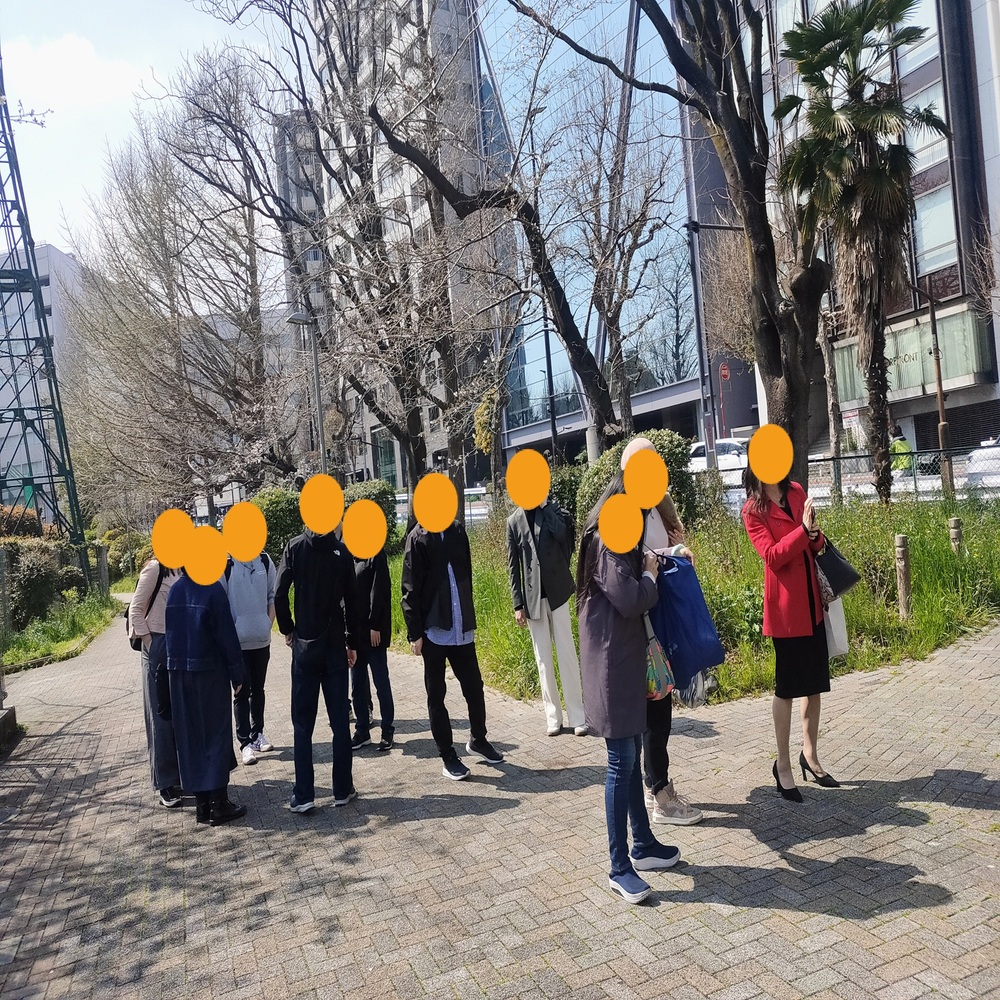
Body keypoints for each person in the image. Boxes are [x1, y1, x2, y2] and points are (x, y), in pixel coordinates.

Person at [576, 472, 682, 904]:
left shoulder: (614, 536)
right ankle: (619, 866)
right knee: (621, 763)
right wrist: (651, 577)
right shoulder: (607, 540)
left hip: (622, 662)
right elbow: (630, 598)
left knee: (630, 754)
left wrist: (656, 563)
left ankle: (643, 844)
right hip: (610, 667)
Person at [741, 467, 840, 802]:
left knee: (814, 684)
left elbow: (816, 543)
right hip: (785, 610)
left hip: (812, 603)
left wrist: (814, 534)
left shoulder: (796, 490)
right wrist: (802, 531)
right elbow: (772, 556)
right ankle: (782, 764)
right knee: (786, 689)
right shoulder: (753, 510)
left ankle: (809, 755)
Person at [619, 437, 703, 827]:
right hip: (642, 621)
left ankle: (656, 786)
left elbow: (654, 555)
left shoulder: (655, 504)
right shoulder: (627, 510)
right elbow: (632, 560)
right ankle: (660, 795)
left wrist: (676, 550)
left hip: (661, 614)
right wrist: (666, 556)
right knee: (656, 707)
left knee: (659, 704)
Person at [401, 518, 504, 780]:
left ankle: (478, 739)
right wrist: (414, 633)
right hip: (433, 630)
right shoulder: (418, 537)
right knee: (437, 695)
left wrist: (468, 615)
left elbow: (466, 574)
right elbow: (409, 587)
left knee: (475, 687)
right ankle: (447, 756)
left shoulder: (457, 530)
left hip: (461, 627)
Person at [275, 525, 361, 813]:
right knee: (340, 722)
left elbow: (279, 593)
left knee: (302, 724)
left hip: (305, 647)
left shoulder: (294, 547)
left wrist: (287, 628)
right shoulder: (342, 552)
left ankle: (304, 795)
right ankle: (342, 789)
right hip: (335, 647)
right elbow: (353, 601)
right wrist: (352, 642)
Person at [159, 571, 247, 826]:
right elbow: (227, 636)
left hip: (179, 673)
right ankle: (219, 803)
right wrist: (238, 674)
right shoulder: (213, 590)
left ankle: (202, 804)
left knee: (191, 737)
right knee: (216, 734)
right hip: (209, 672)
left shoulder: (175, 591)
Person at [506, 486, 587, 737]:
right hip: (533, 600)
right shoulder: (513, 521)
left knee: (567, 653)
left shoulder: (552, 509)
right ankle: (553, 717)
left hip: (558, 593)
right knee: (543, 660)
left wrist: (545, 506)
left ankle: (578, 716)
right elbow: (513, 567)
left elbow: (562, 535)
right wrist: (518, 604)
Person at [128, 558, 182, 809]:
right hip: (157, 645)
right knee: (160, 716)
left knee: (178, 714)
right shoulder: (155, 568)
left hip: (179, 644)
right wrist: (151, 643)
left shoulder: (184, 567)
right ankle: (165, 782)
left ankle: (180, 776)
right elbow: (135, 611)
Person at [221, 552, 277, 766]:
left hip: (262, 639)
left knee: (258, 689)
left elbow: (272, 595)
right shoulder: (226, 564)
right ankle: (244, 743)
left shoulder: (264, 560)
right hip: (237, 644)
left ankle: (258, 733)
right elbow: (220, 601)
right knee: (241, 691)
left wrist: (267, 624)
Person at [350, 548, 395, 752]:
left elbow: (380, 591)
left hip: (373, 634)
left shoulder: (375, 555)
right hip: (355, 636)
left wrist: (375, 625)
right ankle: (362, 731)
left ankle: (387, 730)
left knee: (381, 683)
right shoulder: (349, 557)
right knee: (357, 686)